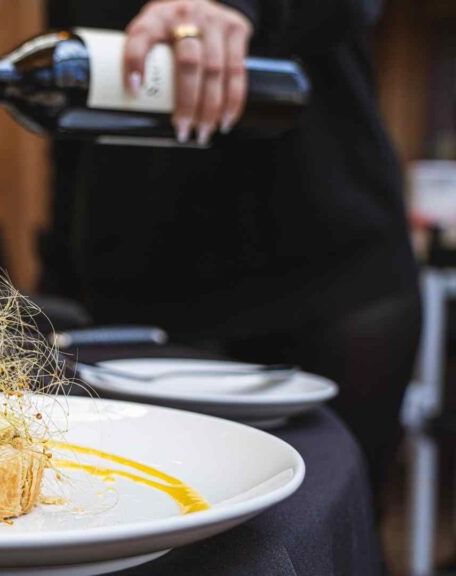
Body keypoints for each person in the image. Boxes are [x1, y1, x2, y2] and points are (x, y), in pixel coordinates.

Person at [43, 0, 421, 505]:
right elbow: (72, 112)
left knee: (330, 525)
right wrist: (59, 280)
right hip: (139, 294)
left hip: (328, 274)